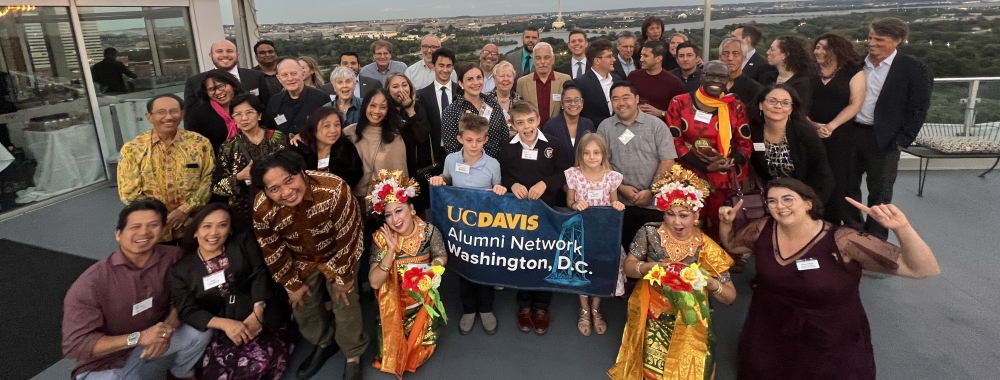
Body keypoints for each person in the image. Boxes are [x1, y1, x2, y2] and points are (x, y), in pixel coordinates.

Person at [719, 178, 940, 379]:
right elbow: (733, 244)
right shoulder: (763, 228)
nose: (780, 206)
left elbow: (922, 269)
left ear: (808, 204)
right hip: (769, 332)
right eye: (772, 201)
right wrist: (727, 223)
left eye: (788, 199)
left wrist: (902, 228)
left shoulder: (844, 240)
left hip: (829, 341)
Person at [608, 165, 736, 380]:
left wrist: (711, 283)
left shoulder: (706, 247)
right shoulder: (650, 232)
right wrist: (649, 268)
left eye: (684, 215)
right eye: (670, 214)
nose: (677, 222)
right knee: (651, 372)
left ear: (696, 214)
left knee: (691, 370)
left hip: (690, 313)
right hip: (653, 307)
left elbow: (730, 296)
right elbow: (628, 267)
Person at [250, 150, 369, 380]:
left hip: (338, 254)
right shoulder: (262, 208)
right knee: (302, 305)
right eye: (274, 189)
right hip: (300, 258)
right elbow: (272, 249)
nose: (286, 192)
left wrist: (343, 276)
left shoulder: (334, 189)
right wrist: (291, 283)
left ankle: (353, 353)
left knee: (345, 299)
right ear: (265, 190)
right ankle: (325, 342)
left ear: (301, 172)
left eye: (289, 180)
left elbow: (350, 235)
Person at [62, 199, 212, 380]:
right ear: (118, 234)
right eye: (135, 227)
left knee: (200, 330)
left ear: (163, 230)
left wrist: (167, 329)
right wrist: (138, 337)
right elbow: (76, 345)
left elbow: (185, 295)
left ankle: (180, 373)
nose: (144, 232)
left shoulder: (174, 257)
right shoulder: (91, 283)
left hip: (156, 336)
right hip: (111, 356)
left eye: (153, 225)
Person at [169, 203, 294, 380]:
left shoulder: (242, 241)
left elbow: (260, 273)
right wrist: (225, 325)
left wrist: (257, 313)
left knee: (255, 365)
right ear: (195, 231)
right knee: (217, 373)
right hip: (223, 322)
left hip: (262, 309)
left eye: (222, 225)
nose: (214, 233)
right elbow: (187, 310)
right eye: (207, 226)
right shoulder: (181, 270)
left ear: (230, 229)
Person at [851, 17, 933, 240]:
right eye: (870, 37)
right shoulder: (856, 64)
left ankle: (876, 241)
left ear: (897, 41)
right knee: (848, 188)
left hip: (885, 140)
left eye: (879, 39)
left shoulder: (913, 69)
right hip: (851, 134)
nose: (872, 43)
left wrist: (901, 141)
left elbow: (918, 108)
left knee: (880, 194)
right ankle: (853, 233)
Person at [429, 114, 507, 335]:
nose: (474, 145)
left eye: (479, 140)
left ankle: (486, 308)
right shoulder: (451, 160)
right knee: (464, 269)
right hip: (461, 229)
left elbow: (498, 192)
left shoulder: (493, 164)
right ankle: (469, 309)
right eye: (469, 139)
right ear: (460, 138)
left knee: (485, 267)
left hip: (485, 229)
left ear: (486, 139)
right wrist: (439, 180)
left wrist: (500, 190)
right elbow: (446, 179)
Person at [366, 170, 448, 377]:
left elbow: (441, 255)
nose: (394, 219)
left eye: (399, 210)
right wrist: (390, 251)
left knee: (422, 349)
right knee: (390, 355)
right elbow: (375, 283)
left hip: (422, 303)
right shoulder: (381, 239)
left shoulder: (429, 231)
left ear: (411, 209)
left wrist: (431, 271)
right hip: (393, 307)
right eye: (388, 214)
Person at [499, 102, 571, 335]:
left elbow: (564, 172)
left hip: (547, 210)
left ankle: (541, 306)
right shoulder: (507, 147)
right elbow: (502, 173)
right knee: (522, 255)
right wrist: (513, 184)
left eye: (530, 121)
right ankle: (524, 304)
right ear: (513, 124)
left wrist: (546, 183)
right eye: (520, 123)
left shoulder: (553, 144)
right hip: (518, 213)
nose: (526, 127)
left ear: (538, 119)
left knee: (544, 256)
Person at [667, 61, 753, 239]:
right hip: (688, 177)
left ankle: (716, 263)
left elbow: (744, 143)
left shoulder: (735, 107)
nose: (715, 80)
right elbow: (675, 141)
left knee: (719, 224)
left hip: (723, 180)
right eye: (710, 75)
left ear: (728, 80)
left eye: (721, 76)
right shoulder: (680, 103)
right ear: (702, 75)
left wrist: (732, 160)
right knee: (687, 223)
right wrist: (703, 166)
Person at [118, 94, 214, 243]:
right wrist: (160, 215)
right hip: (154, 229)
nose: (168, 117)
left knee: (193, 263)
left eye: (174, 111)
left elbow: (209, 179)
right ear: (149, 116)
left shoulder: (200, 143)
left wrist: (185, 210)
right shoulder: (133, 148)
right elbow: (128, 192)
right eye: (161, 112)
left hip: (192, 223)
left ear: (182, 115)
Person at [597, 82, 677, 251]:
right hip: (618, 203)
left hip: (653, 204)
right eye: (615, 99)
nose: (621, 103)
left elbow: (668, 161)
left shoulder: (656, 125)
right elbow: (600, 162)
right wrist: (621, 188)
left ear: (637, 99)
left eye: (626, 97)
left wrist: (651, 191)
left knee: (653, 253)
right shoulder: (605, 127)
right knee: (622, 253)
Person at [564, 133, 625, 336]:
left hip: (603, 234)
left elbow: (613, 201)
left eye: (596, 152)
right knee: (581, 269)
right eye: (587, 153)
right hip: (582, 233)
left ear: (603, 154)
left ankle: (596, 307)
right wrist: (574, 204)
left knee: (600, 270)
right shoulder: (574, 174)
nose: (591, 157)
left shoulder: (611, 176)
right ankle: (584, 307)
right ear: (580, 154)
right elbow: (569, 201)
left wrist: (616, 204)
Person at [810, 33, 867, 226]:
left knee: (838, 181)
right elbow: (798, 101)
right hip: (810, 132)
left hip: (840, 135)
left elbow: (855, 104)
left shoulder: (853, 71)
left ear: (837, 50)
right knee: (812, 178)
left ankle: (836, 226)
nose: (818, 51)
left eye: (824, 48)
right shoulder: (809, 70)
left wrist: (831, 126)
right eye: (817, 47)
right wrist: (812, 125)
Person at [749, 84, 835, 204]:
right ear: (761, 105)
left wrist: (811, 205)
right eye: (772, 101)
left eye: (785, 103)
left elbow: (823, 174)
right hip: (768, 198)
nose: (778, 106)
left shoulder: (804, 133)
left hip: (804, 197)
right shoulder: (753, 132)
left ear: (791, 109)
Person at [212, 94, 289, 225]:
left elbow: (292, 170)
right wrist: (239, 177)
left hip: (281, 206)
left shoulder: (278, 138)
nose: (244, 118)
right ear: (233, 118)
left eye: (249, 112)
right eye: (238, 114)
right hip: (246, 213)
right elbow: (216, 186)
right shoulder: (228, 147)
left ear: (259, 115)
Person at [343, 87, 409, 200]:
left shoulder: (394, 137)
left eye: (383, 107)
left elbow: (400, 177)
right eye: (373, 105)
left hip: (384, 202)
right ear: (365, 106)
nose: (377, 111)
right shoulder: (349, 132)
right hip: (352, 199)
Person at [442, 63, 511, 159]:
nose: (476, 82)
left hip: (495, 166)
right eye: (470, 79)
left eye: (479, 77)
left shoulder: (492, 103)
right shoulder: (451, 111)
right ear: (461, 83)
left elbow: (504, 135)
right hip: (467, 169)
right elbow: (452, 149)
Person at [291, 106, 363, 187]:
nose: (333, 130)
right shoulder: (299, 150)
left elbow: (355, 174)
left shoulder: (346, 147)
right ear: (313, 128)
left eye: (337, 125)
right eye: (326, 126)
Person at [184, 40, 270, 107]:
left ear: (237, 55)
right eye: (219, 51)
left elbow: (267, 106)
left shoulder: (256, 76)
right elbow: (190, 118)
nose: (225, 55)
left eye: (229, 51)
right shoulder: (194, 82)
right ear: (211, 55)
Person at [388, 73, 435, 186]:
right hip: (395, 166)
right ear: (388, 91)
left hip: (418, 167)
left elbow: (422, 136)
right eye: (395, 86)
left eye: (404, 85)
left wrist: (410, 110)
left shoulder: (418, 107)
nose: (401, 89)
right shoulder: (387, 111)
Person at [184, 69, 244, 153]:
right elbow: (195, 147)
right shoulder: (198, 115)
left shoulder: (247, 105)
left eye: (220, 86)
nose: (218, 92)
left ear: (232, 84)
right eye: (211, 89)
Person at [265, 59, 330, 135]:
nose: (290, 78)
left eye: (294, 73)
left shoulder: (322, 98)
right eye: (284, 75)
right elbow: (270, 131)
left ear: (302, 74)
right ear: (279, 79)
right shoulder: (274, 102)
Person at [515, 42, 570, 129]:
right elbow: (519, 112)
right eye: (538, 58)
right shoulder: (522, 82)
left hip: (558, 133)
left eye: (546, 57)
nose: (542, 62)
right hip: (532, 134)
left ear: (553, 59)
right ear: (533, 60)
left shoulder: (565, 80)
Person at [626, 40, 685, 121]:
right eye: (641, 55)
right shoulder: (633, 76)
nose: (641, 59)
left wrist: (660, 113)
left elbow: (682, 113)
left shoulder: (674, 83)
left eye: (646, 56)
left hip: (661, 129)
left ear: (658, 59)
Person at [416, 49, 458, 162]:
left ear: (453, 68)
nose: (445, 70)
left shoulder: (461, 92)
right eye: (441, 65)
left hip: (459, 152)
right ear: (433, 66)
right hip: (434, 153)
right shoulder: (422, 95)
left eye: (449, 66)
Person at [762, 36, 816, 114]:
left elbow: (800, 112)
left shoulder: (801, 84)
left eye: (772, 49)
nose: (768, 52)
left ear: (785, 54)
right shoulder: (767, 77)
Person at [575, 39, 621, 127]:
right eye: (609, 56)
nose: (614, 59)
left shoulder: (618, 80)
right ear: (597, 60)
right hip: (593, 134)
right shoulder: (580, 84)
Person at [544, 85, 595, 154]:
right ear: (562, 104)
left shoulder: (588, 124)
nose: (573, 104)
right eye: (568, 100)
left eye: (577, 100)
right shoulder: (551, 126)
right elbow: (547, 154)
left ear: (582, 103)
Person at [718, 37, 765, 104]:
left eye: (735, 54)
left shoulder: (755, 89)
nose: (730, 58)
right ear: (720, 58)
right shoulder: (710, 85)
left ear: (744, 58)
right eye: (726, 53)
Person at [485, 61, 524, 130]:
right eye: (501, 76)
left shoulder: (519, 100)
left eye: (509, 76)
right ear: (494, 79)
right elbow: (482, 126)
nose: (506, 79)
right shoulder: (485, 100)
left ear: (513, 80)